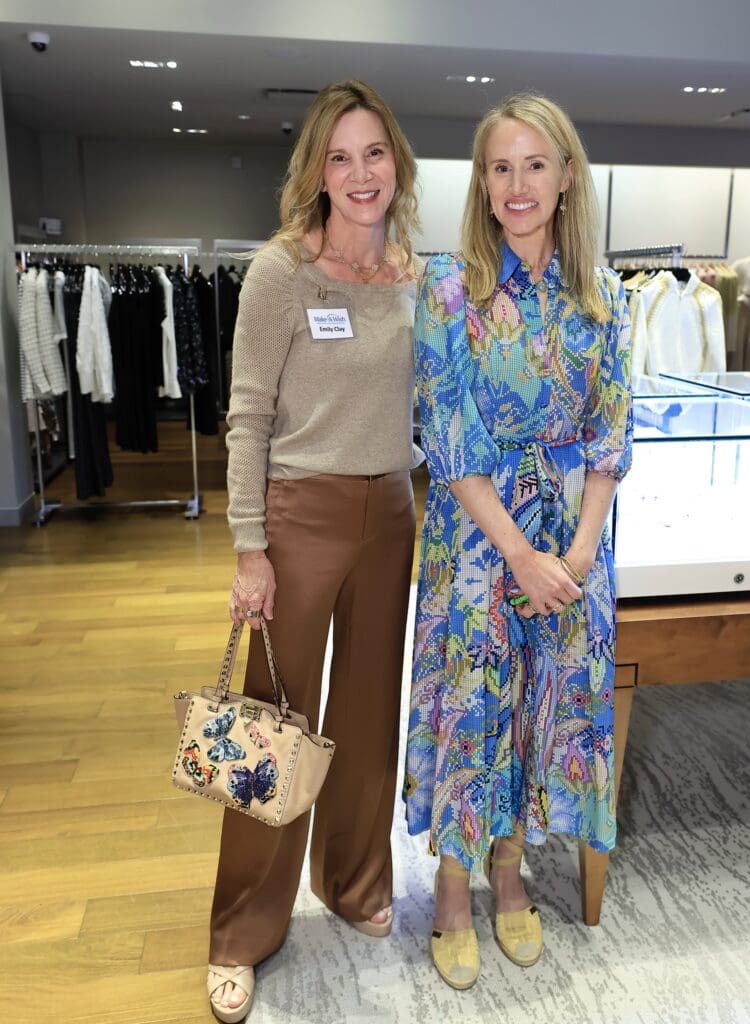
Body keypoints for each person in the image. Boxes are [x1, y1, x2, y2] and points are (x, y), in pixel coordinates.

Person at [404, 93, 633, 990]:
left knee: (539, 708)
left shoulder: (602, 295)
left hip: (573, 549)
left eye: (536, 164)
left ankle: (511, 875)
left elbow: (613, 433)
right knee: (474, 706)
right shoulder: (449, 288)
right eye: (501, 167)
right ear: (482, 184)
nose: (518, 184)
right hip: (477, 541)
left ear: (567, 176)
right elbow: (451, 441)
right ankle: (454, 888)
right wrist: (521, 556)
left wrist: (575, 555)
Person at [208, 79, 423, 1022]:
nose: (360, 172)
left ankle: (353, 881)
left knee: (370, 712)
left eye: (374, 153)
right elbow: (247, 417)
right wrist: (249, 545)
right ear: (318, 174)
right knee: (271, 724)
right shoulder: (281, 274)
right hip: (300, 517)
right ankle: (242, 932)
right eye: (341, 156)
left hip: (393, 513)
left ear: (397, 164)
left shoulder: (417, 275)